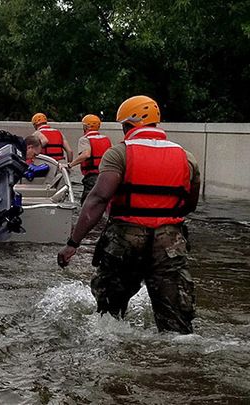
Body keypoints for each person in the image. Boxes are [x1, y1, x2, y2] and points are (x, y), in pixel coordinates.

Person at [57, 95, 201, 334]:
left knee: (109, 317)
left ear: (127, 125)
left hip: (125, 239)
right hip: (170, 242)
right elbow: (189, 204)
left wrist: (73, 243)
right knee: (177, 325)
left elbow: (98, 199)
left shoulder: (119, 154)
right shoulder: (186, 157)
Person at [66, 114, 113, 205]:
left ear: (85, 126)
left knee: (87, 202)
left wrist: (70, 164)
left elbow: (86, 154)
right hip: (105, 174)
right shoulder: (106, 139)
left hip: (92, 175)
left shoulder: (84, 139)